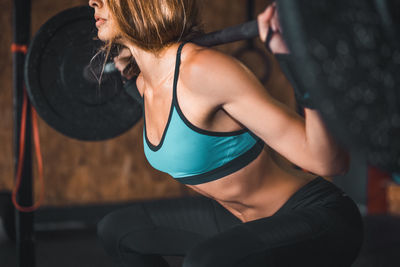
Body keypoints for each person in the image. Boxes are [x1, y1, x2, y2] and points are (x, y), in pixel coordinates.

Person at [88, 0, 363, 266]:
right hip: (242, 222)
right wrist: (129, 65)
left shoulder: (203, 70)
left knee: (207, 262)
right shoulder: (143, 85)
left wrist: (301, 65)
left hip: (316, 217)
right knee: (118, 231)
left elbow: (331, 162)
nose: (93, 2)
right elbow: (180, 130)